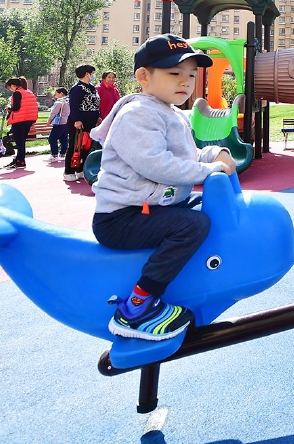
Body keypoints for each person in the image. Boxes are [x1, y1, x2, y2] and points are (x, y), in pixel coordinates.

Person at [91, 34, 235, 341]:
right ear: (144, 76)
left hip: (153, 205)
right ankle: (138, 306)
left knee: (201, 207)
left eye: (191, 75)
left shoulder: (172, 112)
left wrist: (215, 153)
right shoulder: (138, 114)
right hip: (121, 218)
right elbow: (156, 164)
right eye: (174, 73)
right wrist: (209, 170)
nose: (185, 82)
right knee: (192, 225)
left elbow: (188, 155)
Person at [65, 65, 101, 183]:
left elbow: (95, 104)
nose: (93, 75)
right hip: (79, 122)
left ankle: (80, 168)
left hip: (91, 122)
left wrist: (98, 116)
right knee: (75, 145)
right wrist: (76, 120)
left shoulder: (92, 88)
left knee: (86, 146)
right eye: (92, 73)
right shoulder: (77, 88)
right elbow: (74, 106)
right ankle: (69, 171)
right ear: (87, 74)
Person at [3, 77, 39, 169]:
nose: (10, 90)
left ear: (12, 85)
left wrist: (9, 108)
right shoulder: (29, 92)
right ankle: (18, 159)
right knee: (22, 141)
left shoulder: (17, 93)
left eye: (9, 87)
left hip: (20, 120)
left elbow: (16, 107)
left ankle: (20, 161)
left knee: (19, 142)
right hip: (29, 119)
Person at [47, 87, 70, 161]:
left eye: (56, 94)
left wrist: (49, 121)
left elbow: (54, 112)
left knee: (52, 138)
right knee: (64, 139)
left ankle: (54, 155)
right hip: (67, 122)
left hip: (59, 122)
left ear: (61, 93)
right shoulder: (70, 101)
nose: (55, 96)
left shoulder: (59, 102)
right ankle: (63, 154)